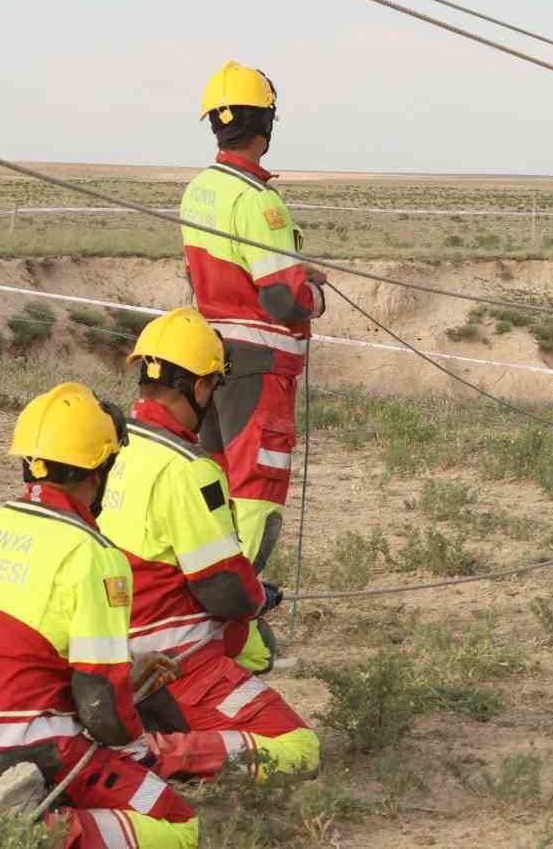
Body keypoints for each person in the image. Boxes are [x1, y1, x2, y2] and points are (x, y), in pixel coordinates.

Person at [0, 383, 200, 849]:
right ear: (101, 469)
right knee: (177, 822)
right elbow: (100, 704)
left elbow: (10, 647)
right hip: (22, 750)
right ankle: (24, 833)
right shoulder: (94, 555)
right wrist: (136, 750)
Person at [96, 307, 319, 782]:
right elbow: (223, 592)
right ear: (200, 387)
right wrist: (260, 598)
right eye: (214, 386)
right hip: (174, 667)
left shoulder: (108, 448)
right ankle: (158, 760)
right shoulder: (187, 470)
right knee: (298, 747)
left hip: (104, 662)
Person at [180, 61, 326, 673]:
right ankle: (235, 637)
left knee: (211, 496)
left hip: (209, 363)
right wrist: (311, 292)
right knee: (255, 498)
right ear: (266, 121)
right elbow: (281, 301)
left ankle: (208, 635)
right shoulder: (258, 201)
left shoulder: (199, 190)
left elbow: (214, 273)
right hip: (260, 368)